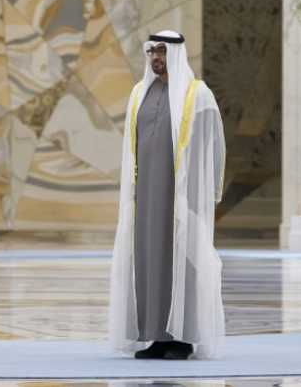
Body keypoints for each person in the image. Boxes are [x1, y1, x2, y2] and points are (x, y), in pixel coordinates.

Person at [108, 30, 227, 360]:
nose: (156, 57)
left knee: (180, 263)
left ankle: (182, 339)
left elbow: (213, 147)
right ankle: (155, 337)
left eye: (162, 51)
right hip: (145, 198)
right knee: (148, 259)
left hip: (180, 200)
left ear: (175, 53)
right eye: (152, 52)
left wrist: (200, 195)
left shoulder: (197, 95)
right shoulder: (138, 94)